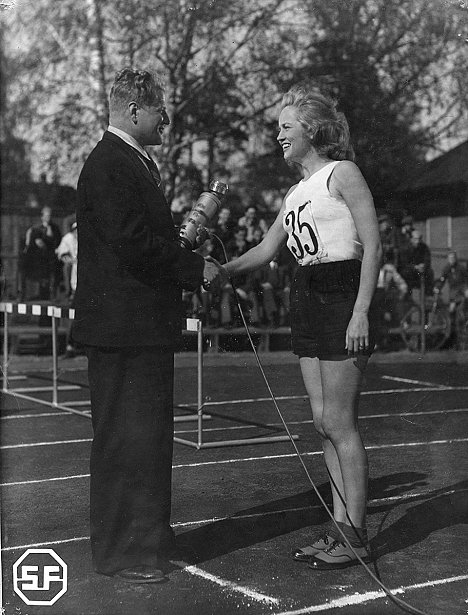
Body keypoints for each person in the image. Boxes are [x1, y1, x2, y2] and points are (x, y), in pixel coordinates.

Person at [72, 68, 224, 584]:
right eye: (160, 110)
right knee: (125, 441)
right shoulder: (110, 165)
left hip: (139, 328)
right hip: (123, 331)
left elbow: (143, 239)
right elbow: (133, 245)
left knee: (148, 438)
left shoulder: (131, 163)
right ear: (134, 110)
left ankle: (148, 537)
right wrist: (190, 269)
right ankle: (122, 552)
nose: (167, 120)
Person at [224, 83, 382, 569]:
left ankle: (356, 535)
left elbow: (373, 246)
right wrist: (221, 270)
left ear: (312, 129)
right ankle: (340, 529)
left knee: (340, 421)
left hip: (341, 292)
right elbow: (269, 248)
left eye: (286, 127)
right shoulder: (295, 192)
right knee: (321, 424)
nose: (278, 136)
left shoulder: (344, 173)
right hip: (307, 294)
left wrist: (360, 310)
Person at [21, 206, 62, 301]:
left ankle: (53, 294)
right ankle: (22, 294)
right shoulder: (36, 228)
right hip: (37, 258)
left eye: (50, 216)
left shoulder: (55, 228)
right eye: (46, 216)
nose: (49, 218)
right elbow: (37, 243)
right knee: (23, 264)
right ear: (42, 217)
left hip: (51, 257)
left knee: (55, 264)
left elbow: (58, 242)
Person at [56, 220, 79, 357]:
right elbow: (62, 255)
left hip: (86, 283)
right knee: (72, 314)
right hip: (75, 283)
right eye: (75, 231)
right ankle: (70, 346)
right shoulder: (68, 239)